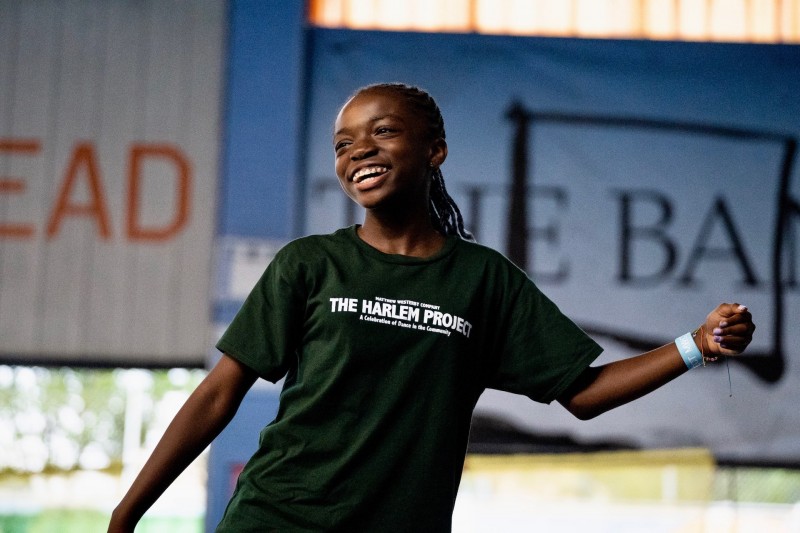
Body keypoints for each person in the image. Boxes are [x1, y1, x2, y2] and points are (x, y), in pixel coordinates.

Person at [108, 82, 755, 532]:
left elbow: (583, 392)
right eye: (342, 142)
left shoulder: (482, 280)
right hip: (278, 517)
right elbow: (217, 395)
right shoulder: (310, 264)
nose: (357, 149)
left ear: (433, 149)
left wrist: (697, 342)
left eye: (382, 131)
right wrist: (127, 512)